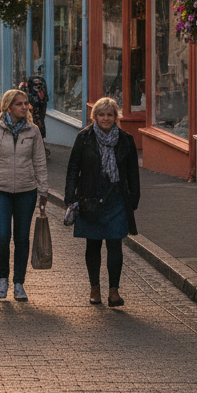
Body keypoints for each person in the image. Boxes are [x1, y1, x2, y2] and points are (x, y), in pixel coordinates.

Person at [0, 88, 48, 301]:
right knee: (3, 235)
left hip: (27, 191)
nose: (24, 107)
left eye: (25, 104)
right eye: (19, 104)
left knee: (22, 238)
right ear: (7, 107)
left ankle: (19, 283)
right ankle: (3, 278)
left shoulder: (33, 131)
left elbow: (40, 162)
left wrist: (43, 190)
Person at [64, 96, 140, 307]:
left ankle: (114, 291)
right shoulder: (84, 137)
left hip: (116, 197)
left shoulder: (126, 139)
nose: (106, 118)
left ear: (116, 117)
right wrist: (70, 198)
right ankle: (94, 289)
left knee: (115, 243)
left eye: (110, 114)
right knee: (93, 244)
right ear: (94, 116)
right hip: (90, 196)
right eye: (101, 114)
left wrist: (133, 200)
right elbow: (73, 169)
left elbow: (133, 173)